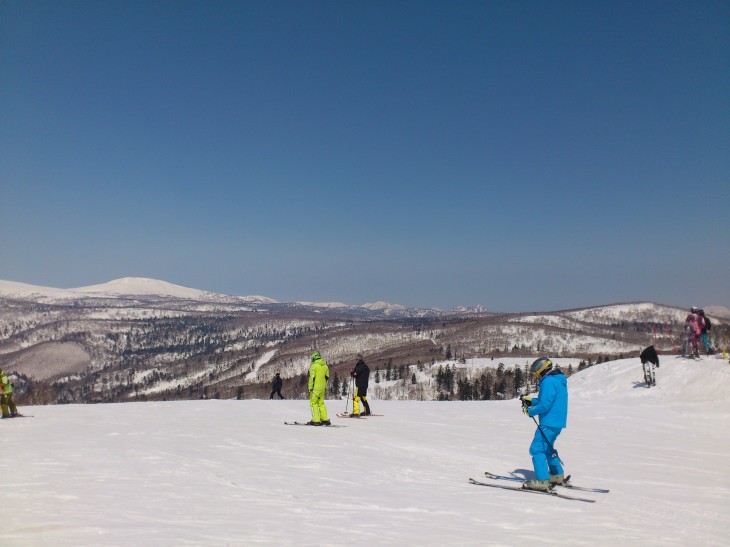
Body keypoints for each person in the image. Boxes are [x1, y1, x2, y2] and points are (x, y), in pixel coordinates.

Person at [520, 357, 567, 492]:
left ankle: (542, 481)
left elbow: (545, 405)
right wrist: (531, 401)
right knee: (547, 448)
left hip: (548, 422)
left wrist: (530, 411)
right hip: (557, 422)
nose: (536, 375)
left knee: (537, 449)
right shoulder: (558, 380)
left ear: (541, 370)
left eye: (536, 372)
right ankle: (557, 474)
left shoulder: (547, 382)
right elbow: (548, 400)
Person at [307, 352, 330, 426]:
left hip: (315, 389)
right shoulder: (325, 366)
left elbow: (312, 378)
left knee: (313, 403)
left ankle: (316, 420)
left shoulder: (314, 366)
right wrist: (324, 386)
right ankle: (325, 419)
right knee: (321, 403)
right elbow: (327, 377)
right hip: (322, 388)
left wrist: (310, 388)